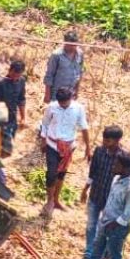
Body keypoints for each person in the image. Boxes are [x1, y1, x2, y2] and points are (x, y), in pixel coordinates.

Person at [80, 152, 130, 259]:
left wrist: (114, 223)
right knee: (98, 245)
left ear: (125, 168)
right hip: (106, 220)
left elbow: (129, 214)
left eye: (116, 164)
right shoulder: (117, 178)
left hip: (117, 227)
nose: (113, 166)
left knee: (115, 255)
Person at [80, 126, 130, 259]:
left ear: (117, 141)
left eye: (108, 141)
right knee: (91, 226)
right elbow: (93, 171)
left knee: (105, 229)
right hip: (96, 194)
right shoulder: (99, 151)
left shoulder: (124, 158)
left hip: (111, 201)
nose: (104, 143)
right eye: (104, 139)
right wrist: (85, 189)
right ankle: (89, 253)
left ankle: (103, 253)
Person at [37, 87, 90, 216]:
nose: (63, 105)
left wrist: (88, 147)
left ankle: (56, 200)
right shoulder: (52, 107)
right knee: (51, 173)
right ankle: (49, 201)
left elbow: (84, 127)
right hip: (52, 145)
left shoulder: (78, 108)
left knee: (61, 174)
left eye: (65, 103)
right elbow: (44, 124)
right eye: (61, 103)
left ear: (71, 99)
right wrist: (43, 140)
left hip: (68, 147)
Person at [0, 59, 27, 158]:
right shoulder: (0, 83)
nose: (16, 77)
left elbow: (21, 99)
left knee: (8, 144)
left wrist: (23, 117)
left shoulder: (22, 81)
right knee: (5, 147)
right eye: (14, 74)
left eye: (18, 75)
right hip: (1, 117)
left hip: (13, 117)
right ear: (10, 70)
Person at [44, 31, 84, 102]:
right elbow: (49, 75)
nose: (73, 47)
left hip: (71, 93)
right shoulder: (56, 55)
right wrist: (47, 95)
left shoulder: (80, 54)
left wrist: (77, 91)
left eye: (75, 45)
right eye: (70, 45)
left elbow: (79, 73)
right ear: (65, 43)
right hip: (57, 94)